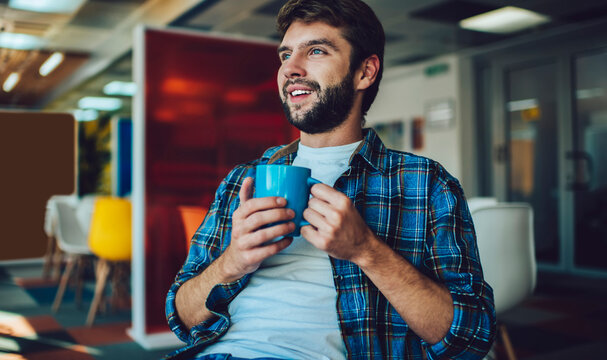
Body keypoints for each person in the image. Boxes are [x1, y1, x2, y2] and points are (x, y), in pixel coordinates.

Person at [165, 0, 496, 359]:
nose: (290, 68)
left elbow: (471, 338)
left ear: (364, 72)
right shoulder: (241, 181)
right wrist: (233, 261)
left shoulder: (426, 183)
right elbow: (181, 315)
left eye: (316, 50)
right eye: (285, 55)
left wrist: (367, 251)